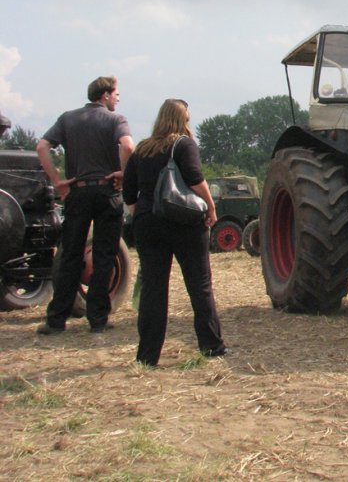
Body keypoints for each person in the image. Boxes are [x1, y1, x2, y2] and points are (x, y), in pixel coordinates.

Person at [122, 98, 227, 366]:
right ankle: (212, 347)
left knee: (153, 289)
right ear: (182, 120)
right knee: (199, 285)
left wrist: (145, 213)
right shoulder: (183, 145)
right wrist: (211, 207)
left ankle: (147, 356)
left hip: (148, 224)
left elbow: (128, 193)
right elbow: (195, 179)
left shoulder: (142, 149)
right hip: (184, 223)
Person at [36, 76, 134, 335]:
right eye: (116, 93)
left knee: (70, 255)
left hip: (77, 192)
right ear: (105, 95)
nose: (118, 98)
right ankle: (98, 319)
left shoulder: (67, 118)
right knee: (104, 256)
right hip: (107, 192)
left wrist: (57, 181)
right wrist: (123, 174)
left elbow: (42, 146)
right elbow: (128, 146)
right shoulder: (116, 119)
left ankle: (56, 320)